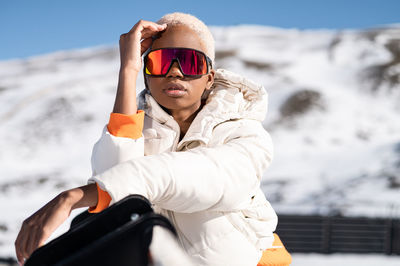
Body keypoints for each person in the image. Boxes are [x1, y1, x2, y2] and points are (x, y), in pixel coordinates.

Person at [15, 12, 291, 265]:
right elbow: (118, 200)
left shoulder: (244, 132)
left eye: (189, 61)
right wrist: (128, 70)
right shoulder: (139, 129)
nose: (174, 71)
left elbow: (208, 178)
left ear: (209, 77)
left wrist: (74, 196)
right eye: (159, 62)